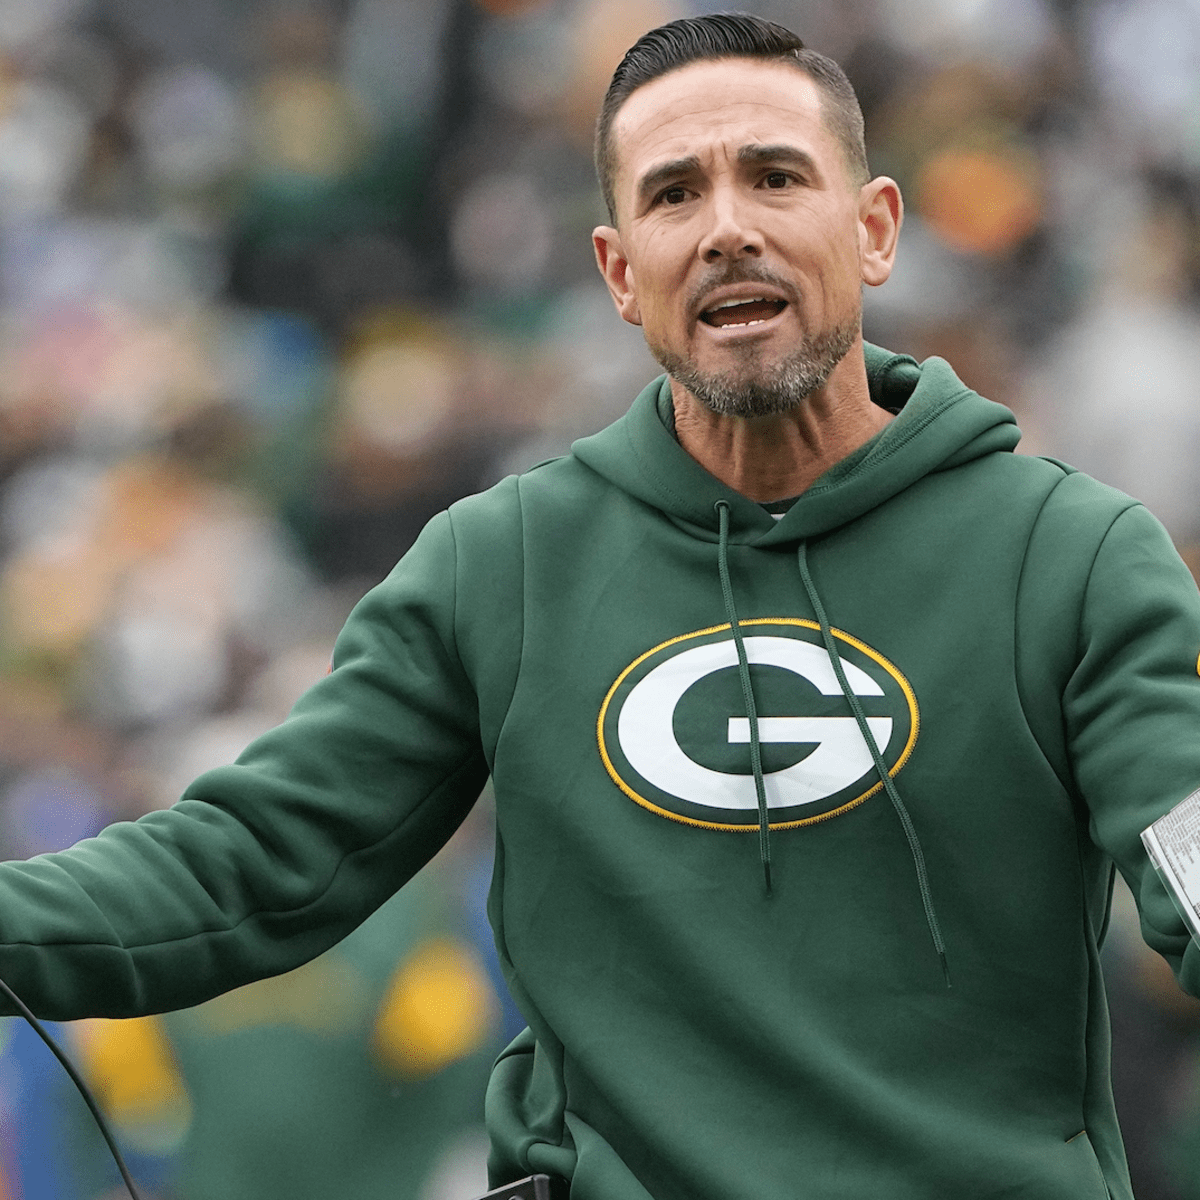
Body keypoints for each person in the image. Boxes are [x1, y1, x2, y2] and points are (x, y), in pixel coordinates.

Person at [0, 13, 1198, 1199]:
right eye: (674, 195)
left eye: (775, 177)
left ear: (874, 230)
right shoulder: (498, 565)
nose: (728, 229)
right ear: (622, 273)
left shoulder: (1075, 556)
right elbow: (248, 866)